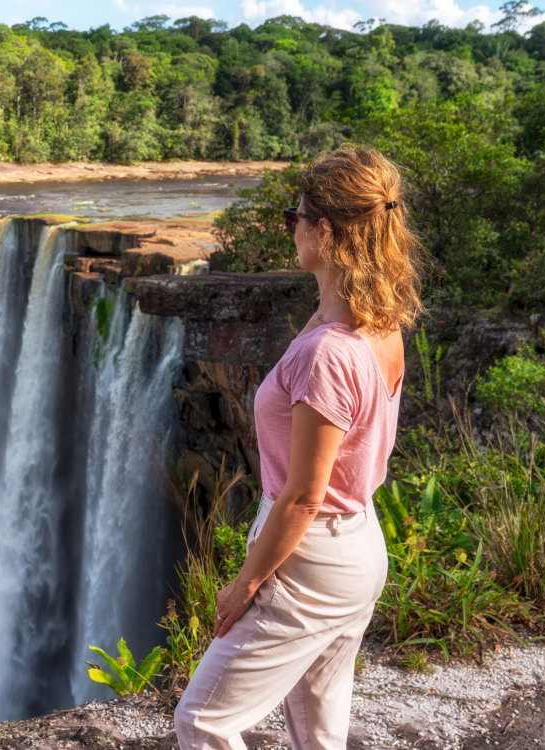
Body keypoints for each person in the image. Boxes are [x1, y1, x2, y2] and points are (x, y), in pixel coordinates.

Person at [173, 146, 427, 750]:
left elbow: (304, 497)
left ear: (326, 230)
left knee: (202, 721)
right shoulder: (377, 324)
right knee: (318, 727)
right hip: (357, 546)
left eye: (296, 216)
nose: (290, 228)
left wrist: (245, 583)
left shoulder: (326, 354)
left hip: (307, 557)